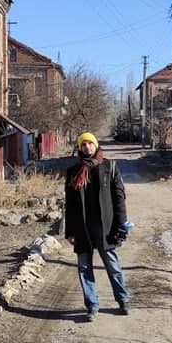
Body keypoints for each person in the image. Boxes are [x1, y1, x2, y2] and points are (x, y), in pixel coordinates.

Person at [64, 132, 130, 321]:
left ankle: (123, 299)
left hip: (105, 226)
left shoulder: (109, 166)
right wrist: (69, 231)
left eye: (90, 144)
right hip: (82, 226)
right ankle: (92, 306)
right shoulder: (73, 171)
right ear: (79, 148)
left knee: (112, 265)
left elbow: (119, 197)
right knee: (84, 268)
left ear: (96, 145)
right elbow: (70, 204)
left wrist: (122, 223)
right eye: (83, 144)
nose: (87, 147)